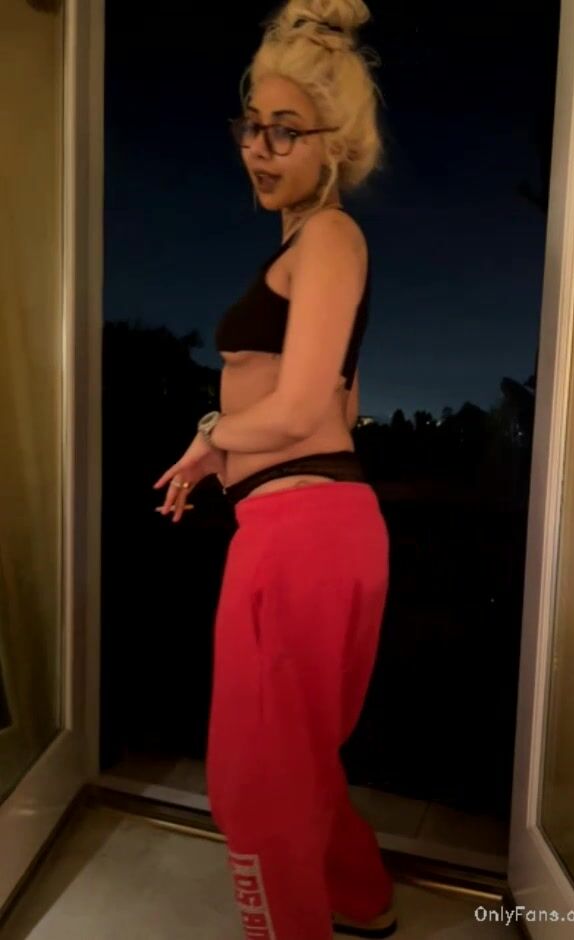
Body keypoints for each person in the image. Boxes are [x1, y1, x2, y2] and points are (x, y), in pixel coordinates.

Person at [153, 1, 397, 937]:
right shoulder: (309, 246)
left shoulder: (329, 237)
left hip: (301, 535)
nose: (260, 149)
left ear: (337, 146)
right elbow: (341, 404)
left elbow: (297, 413)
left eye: (286, 131)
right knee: (297, 759)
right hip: (312, 528)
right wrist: (219, 449)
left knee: (255, 783)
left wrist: (214, 432)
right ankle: (362, 900)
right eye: (253, 126)